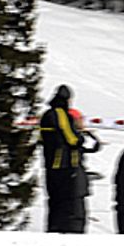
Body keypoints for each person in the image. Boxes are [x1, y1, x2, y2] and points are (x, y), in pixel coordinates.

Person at [38, 85, 95, 233]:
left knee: (55, 201)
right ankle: (67, 228)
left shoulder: (46, 115)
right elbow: (70, 137)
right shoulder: (60, 113)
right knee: (68, 201)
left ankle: (55, 227)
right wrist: (79, 140)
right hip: (64, 164)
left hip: (51, 163)